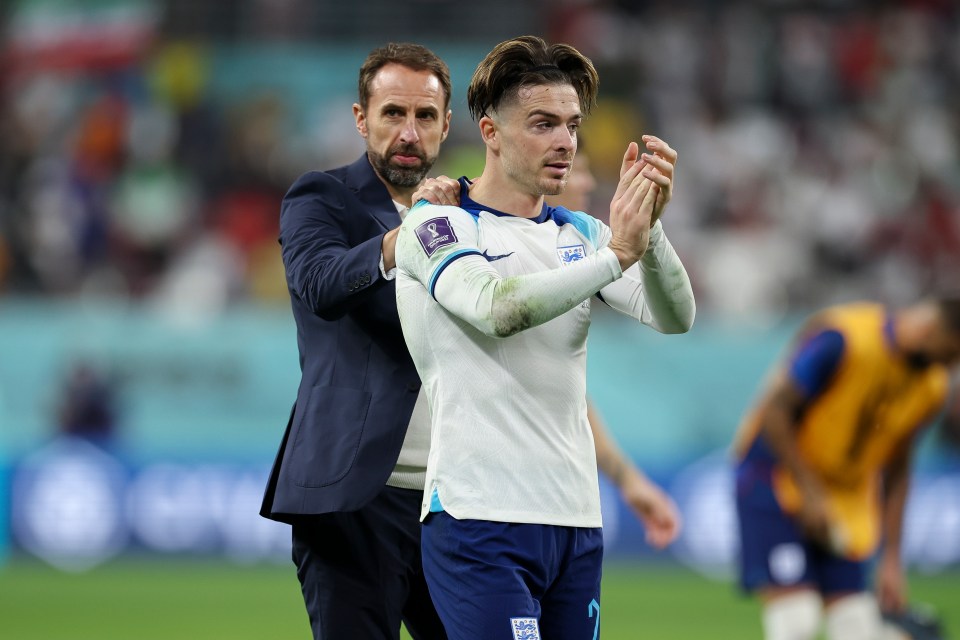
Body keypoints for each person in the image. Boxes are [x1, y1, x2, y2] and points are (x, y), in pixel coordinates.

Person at [260, 41, 682, 640]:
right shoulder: (324, 197)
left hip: (464, 497)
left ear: (449, 124)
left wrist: (627, 478)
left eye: (425, 116)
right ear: (361, 120)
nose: (410, 131)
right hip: (362, 495)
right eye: (393, 114)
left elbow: (541, 369)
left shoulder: (480, 215)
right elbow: (319, 284)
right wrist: (403, 237)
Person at [394, 35, 695, 639]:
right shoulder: (438, 223)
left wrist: (649, 229)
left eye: (572, 125)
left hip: (575, 520)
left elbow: (675, 316)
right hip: (480, 516)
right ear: (491, 132)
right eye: (543, 124)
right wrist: (617, 254)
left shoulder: (579, 233)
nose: (564, 141)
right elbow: (492, 307)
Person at [731, 297, 960, 640]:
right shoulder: (844, 338)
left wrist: (892, 558)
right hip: (776, 479)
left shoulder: (931, 386)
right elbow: (776, 414)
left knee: (856, 626)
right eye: (950, 352)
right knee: (797, 620)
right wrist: (810, 493)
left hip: (844, 498)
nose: (951, 364)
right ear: (929, 330)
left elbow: (898, 469)